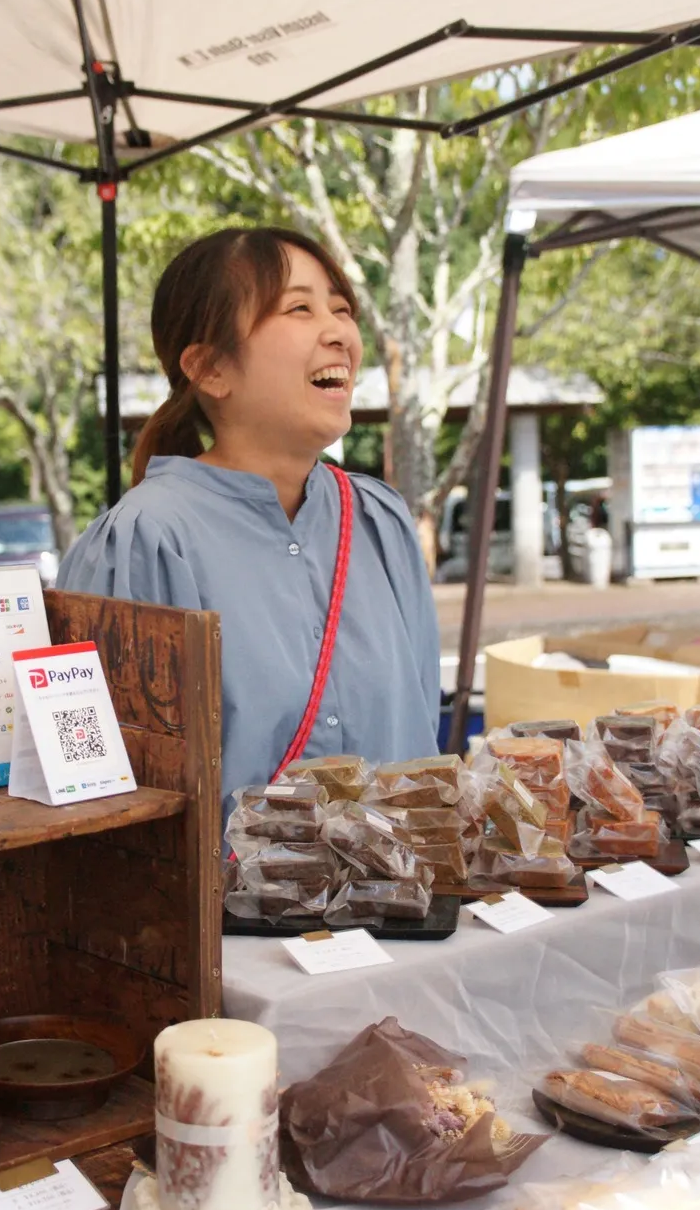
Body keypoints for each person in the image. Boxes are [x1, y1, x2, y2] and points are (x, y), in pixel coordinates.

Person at [58, 226, 440, 818]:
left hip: (399, 903)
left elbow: (421, 751)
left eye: (341, 310)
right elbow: (113, 800)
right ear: (210, 368)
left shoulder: (379, 521)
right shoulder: (144, 543)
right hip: (228, 911)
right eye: (299, 309)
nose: (340, 332)